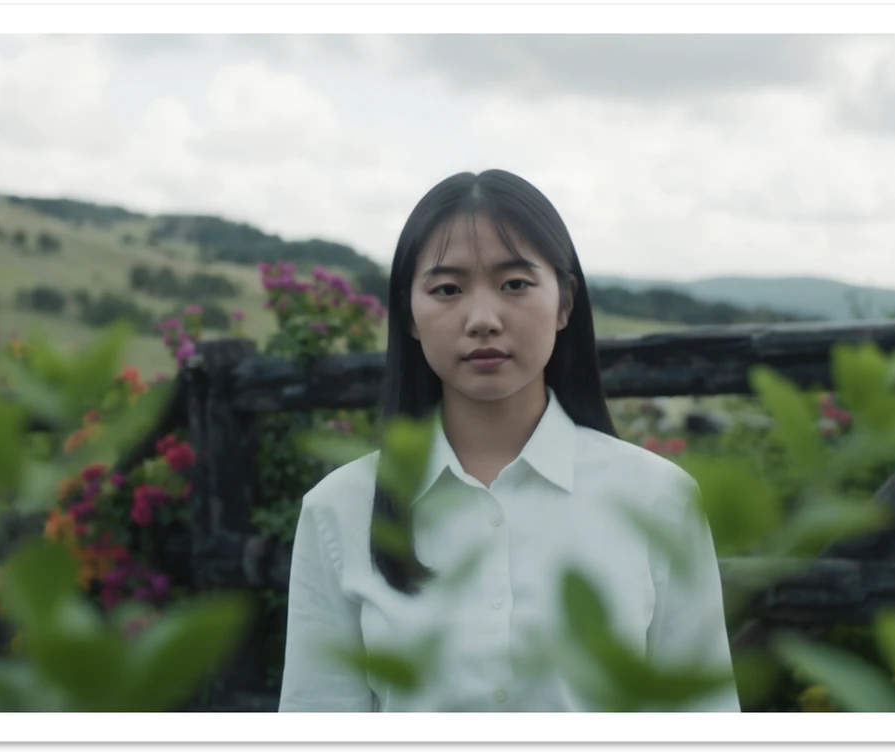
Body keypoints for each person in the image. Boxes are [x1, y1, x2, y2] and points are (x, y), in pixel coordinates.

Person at [278, 169, 739, 712]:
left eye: (514, 284)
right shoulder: (339, 508)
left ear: (565, 301)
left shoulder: (659, 498)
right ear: (409, 315)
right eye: (447, 289)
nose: (482, 320)